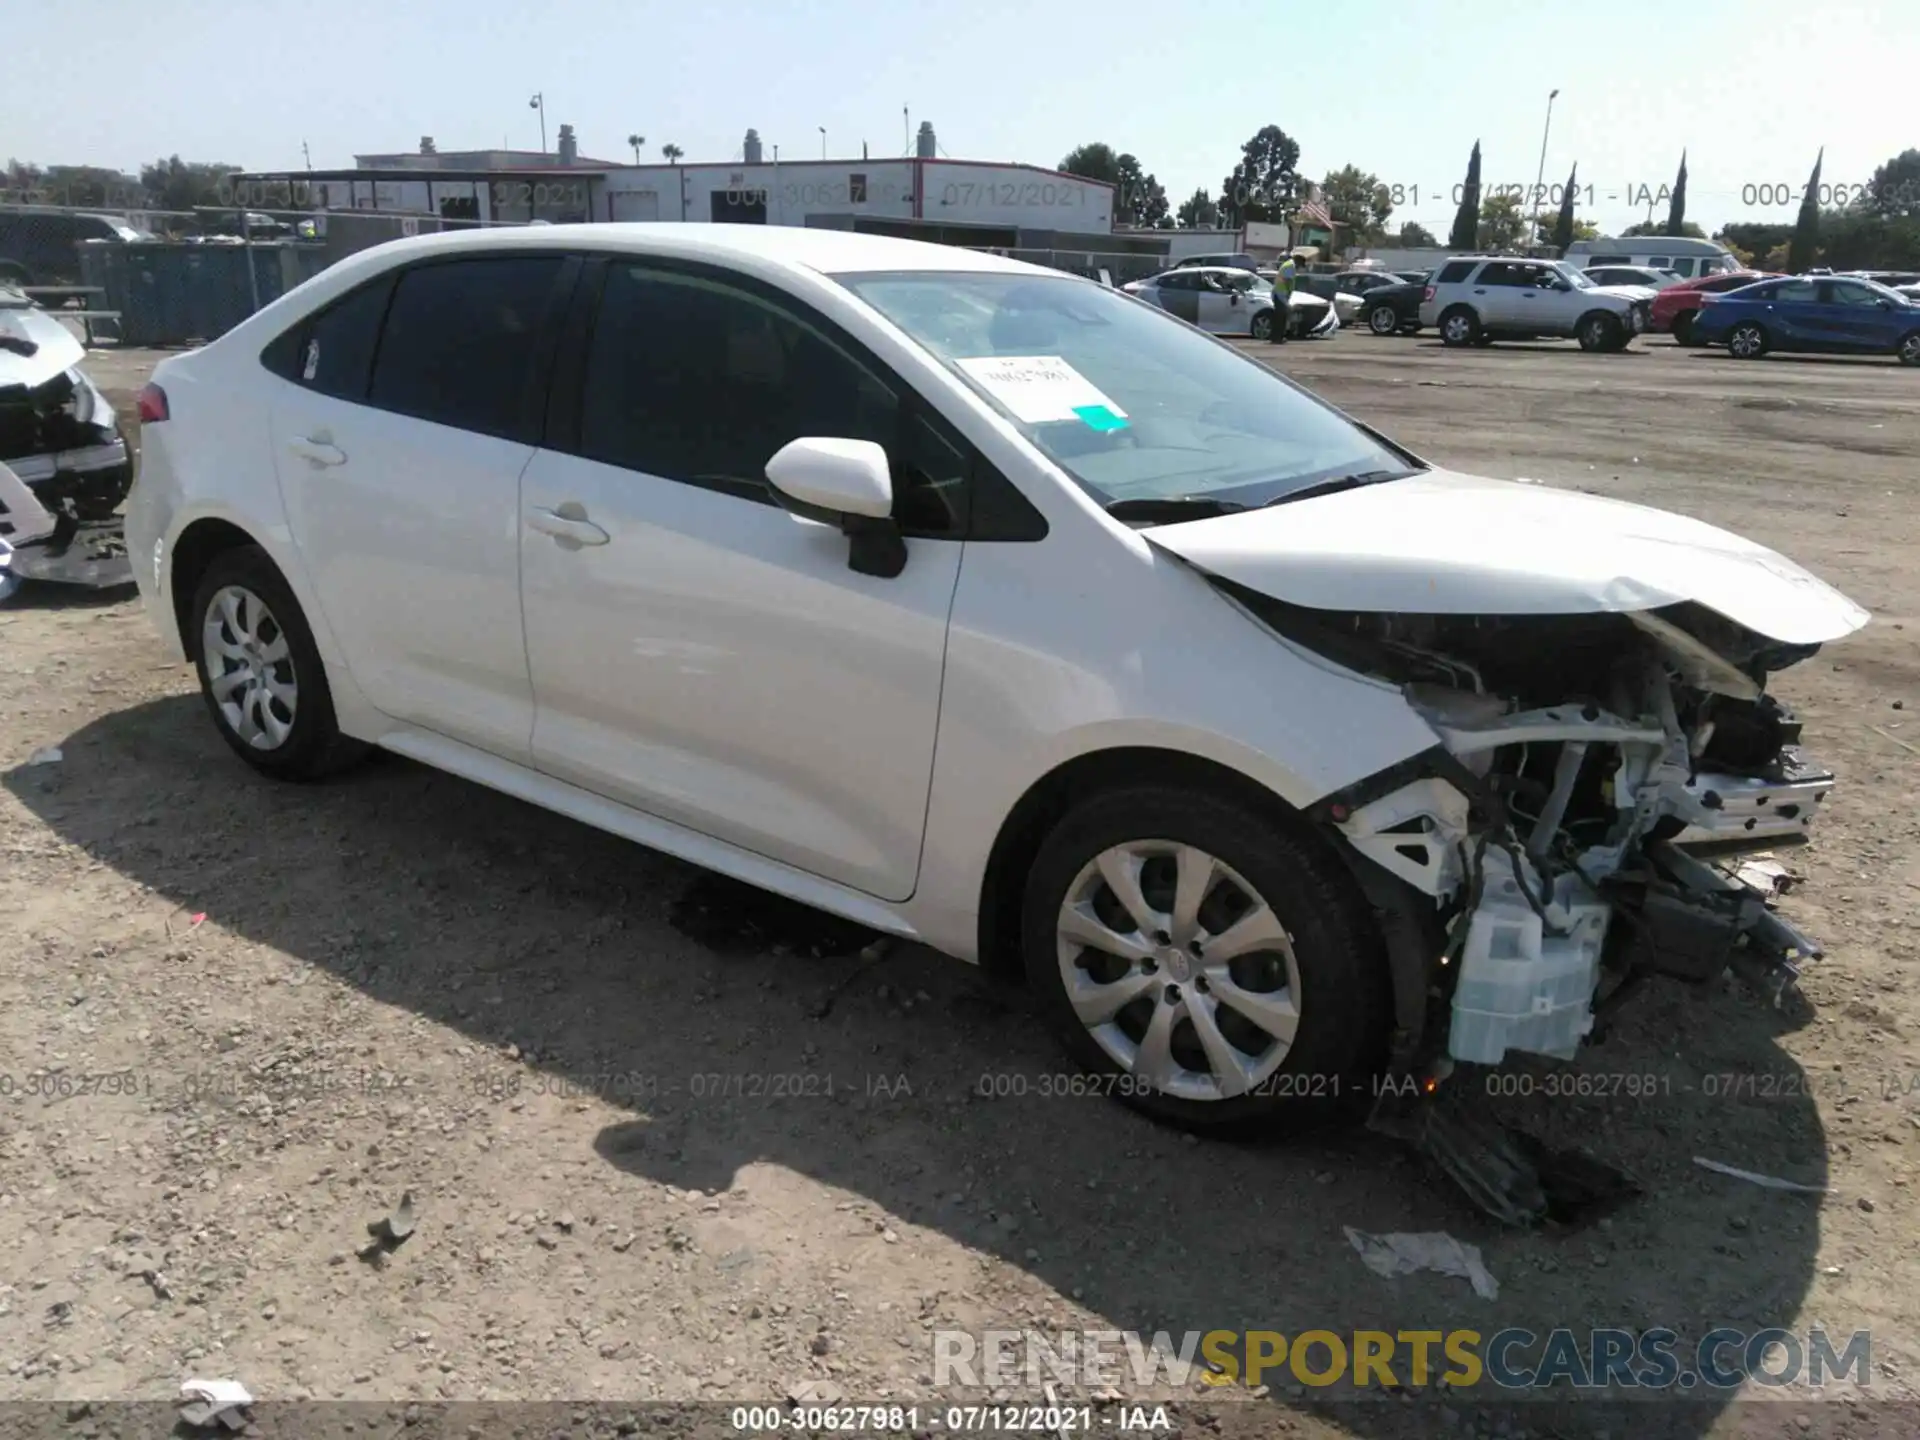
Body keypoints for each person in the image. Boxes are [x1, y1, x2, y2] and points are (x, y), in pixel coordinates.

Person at [1271, 254, 1296, 343]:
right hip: (1281, 294)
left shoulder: (1287, 265)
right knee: (1281, 317)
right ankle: (1278, 338)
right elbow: (1288, 280)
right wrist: (1289, 291)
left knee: (1279, 317)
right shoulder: (1290, 265)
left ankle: (1277, 337)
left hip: (1279, 293)